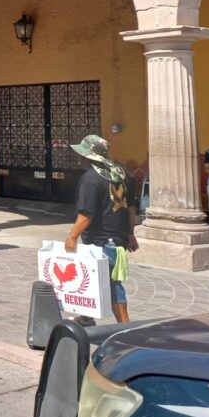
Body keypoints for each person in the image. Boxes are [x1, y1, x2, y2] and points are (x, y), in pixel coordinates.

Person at [64, 134, 139, 323]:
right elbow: (131, 209)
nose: (79, 158)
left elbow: (86, 215)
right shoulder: (122, 174)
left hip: (102, 241)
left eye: (82, 154)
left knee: (113, 284)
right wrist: (130, 234)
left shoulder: (90, 179)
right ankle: (87, 318)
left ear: (89, 156)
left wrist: (72, 237)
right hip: (118, 238)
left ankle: (125, 327)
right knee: (94, 279)